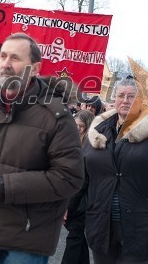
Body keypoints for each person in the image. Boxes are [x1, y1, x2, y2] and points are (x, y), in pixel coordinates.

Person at [0, 32, 84, 264]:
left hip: (28, 239)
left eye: (15, 58)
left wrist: (5, 187)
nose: (5, 64)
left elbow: (69, 177)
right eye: (3, 56)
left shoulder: (56, 116)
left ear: (35, 68)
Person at [84, 77, 148, 263]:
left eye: (131, 96)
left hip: (144, 229)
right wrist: (75, 207)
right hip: (102, 226)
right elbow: (83, 173)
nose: (125, 100)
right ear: (114, 99)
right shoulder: (97, 131)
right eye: (121, 95)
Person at [62, 109, 95, 264]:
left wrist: (68, 206)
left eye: (80, 126)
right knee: (78, 239)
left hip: (82, 200)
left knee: (75, 238)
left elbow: (82, 181)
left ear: (88, 128)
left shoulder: (89, 147)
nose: (76, 129)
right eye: (74, 125)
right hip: (77, 197)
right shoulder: (75, 142)